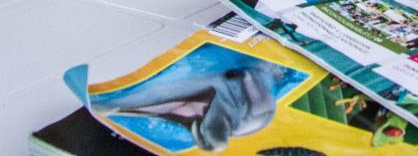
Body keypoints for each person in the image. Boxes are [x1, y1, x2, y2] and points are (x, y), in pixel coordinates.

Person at [89, 56, 283, 151]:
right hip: (229, 79)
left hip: (219, 87)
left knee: (113, 105)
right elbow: (248, 75)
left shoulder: (242, 118)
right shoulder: (253, 114)